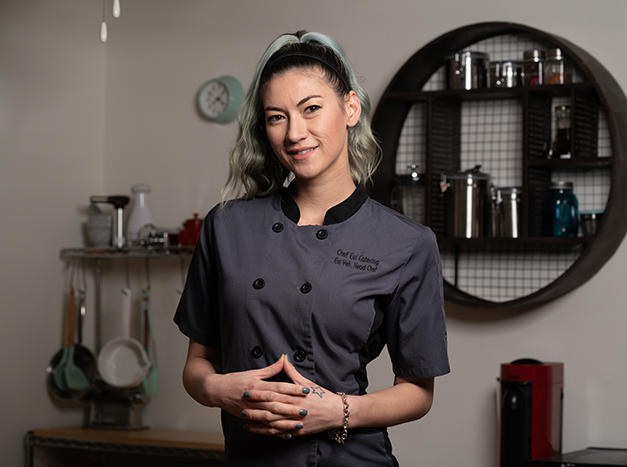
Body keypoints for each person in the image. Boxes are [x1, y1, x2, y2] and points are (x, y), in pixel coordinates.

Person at [174, 30, 450, 467]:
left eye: (312, 109)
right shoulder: (227, 227)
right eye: (276, 117)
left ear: (350, 108)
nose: (295, 133)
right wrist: (215, 389)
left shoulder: (406, 243)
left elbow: (418, 392)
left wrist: (337, 410)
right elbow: (197, 365)